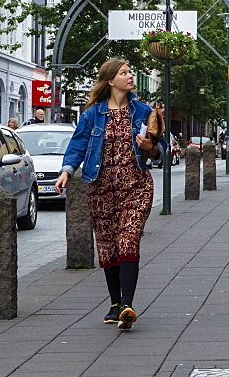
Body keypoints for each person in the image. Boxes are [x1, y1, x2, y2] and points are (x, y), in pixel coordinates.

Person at [53, 57, 164, 330]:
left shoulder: (143, 111)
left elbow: (160, 150)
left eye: (130, 72)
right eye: (123, 72)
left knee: (128, 241)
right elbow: (78, 144)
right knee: (107, 246)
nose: (130, 76)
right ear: (110, 80)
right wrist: (67, 170)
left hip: (136, 187)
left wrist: (149, 145)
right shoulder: (93, 113)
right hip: (101, 189)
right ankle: (115, 303)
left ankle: (127, 304)